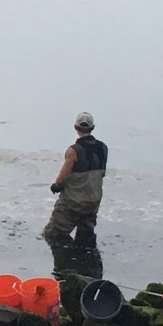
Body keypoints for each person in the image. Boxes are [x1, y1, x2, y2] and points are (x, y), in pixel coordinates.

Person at [44, 112, 108, 280]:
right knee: (86, 235)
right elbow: (102, 173)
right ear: (92, 128)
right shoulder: (103, 148)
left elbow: (64, 174)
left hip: (73, 201)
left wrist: (56, 186)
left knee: (53, 234)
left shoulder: (73, 151)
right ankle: (89, 270)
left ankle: (64, 271)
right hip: (94, 200)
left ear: (76, 128)